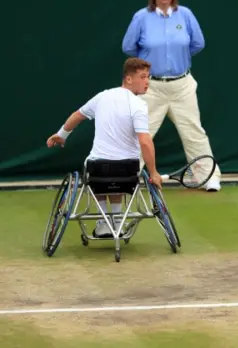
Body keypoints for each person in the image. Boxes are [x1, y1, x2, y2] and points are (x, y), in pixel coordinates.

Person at [121, 0, 221, 192]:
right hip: (151, 87)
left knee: (194, 131)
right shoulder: (141, 17)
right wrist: (150, 61)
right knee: (140, 132)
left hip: (182, 85)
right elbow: (128, 47)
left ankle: (208, 177)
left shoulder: (185, 15)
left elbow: (198, 43)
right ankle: (127, 178)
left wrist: (177, 60)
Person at [46, 57, 162, 237]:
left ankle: (104, 222)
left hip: (97, 169)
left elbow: (77, 115)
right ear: (129, 79)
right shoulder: (139, 105)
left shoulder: (102, 96)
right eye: (143, 77)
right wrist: (153, 173)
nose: (147, 82)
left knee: (101, 174)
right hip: (128, 170)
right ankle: (114, 221)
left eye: (148, 77)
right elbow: (145, 141)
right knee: (116, 175)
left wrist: (62, 135)